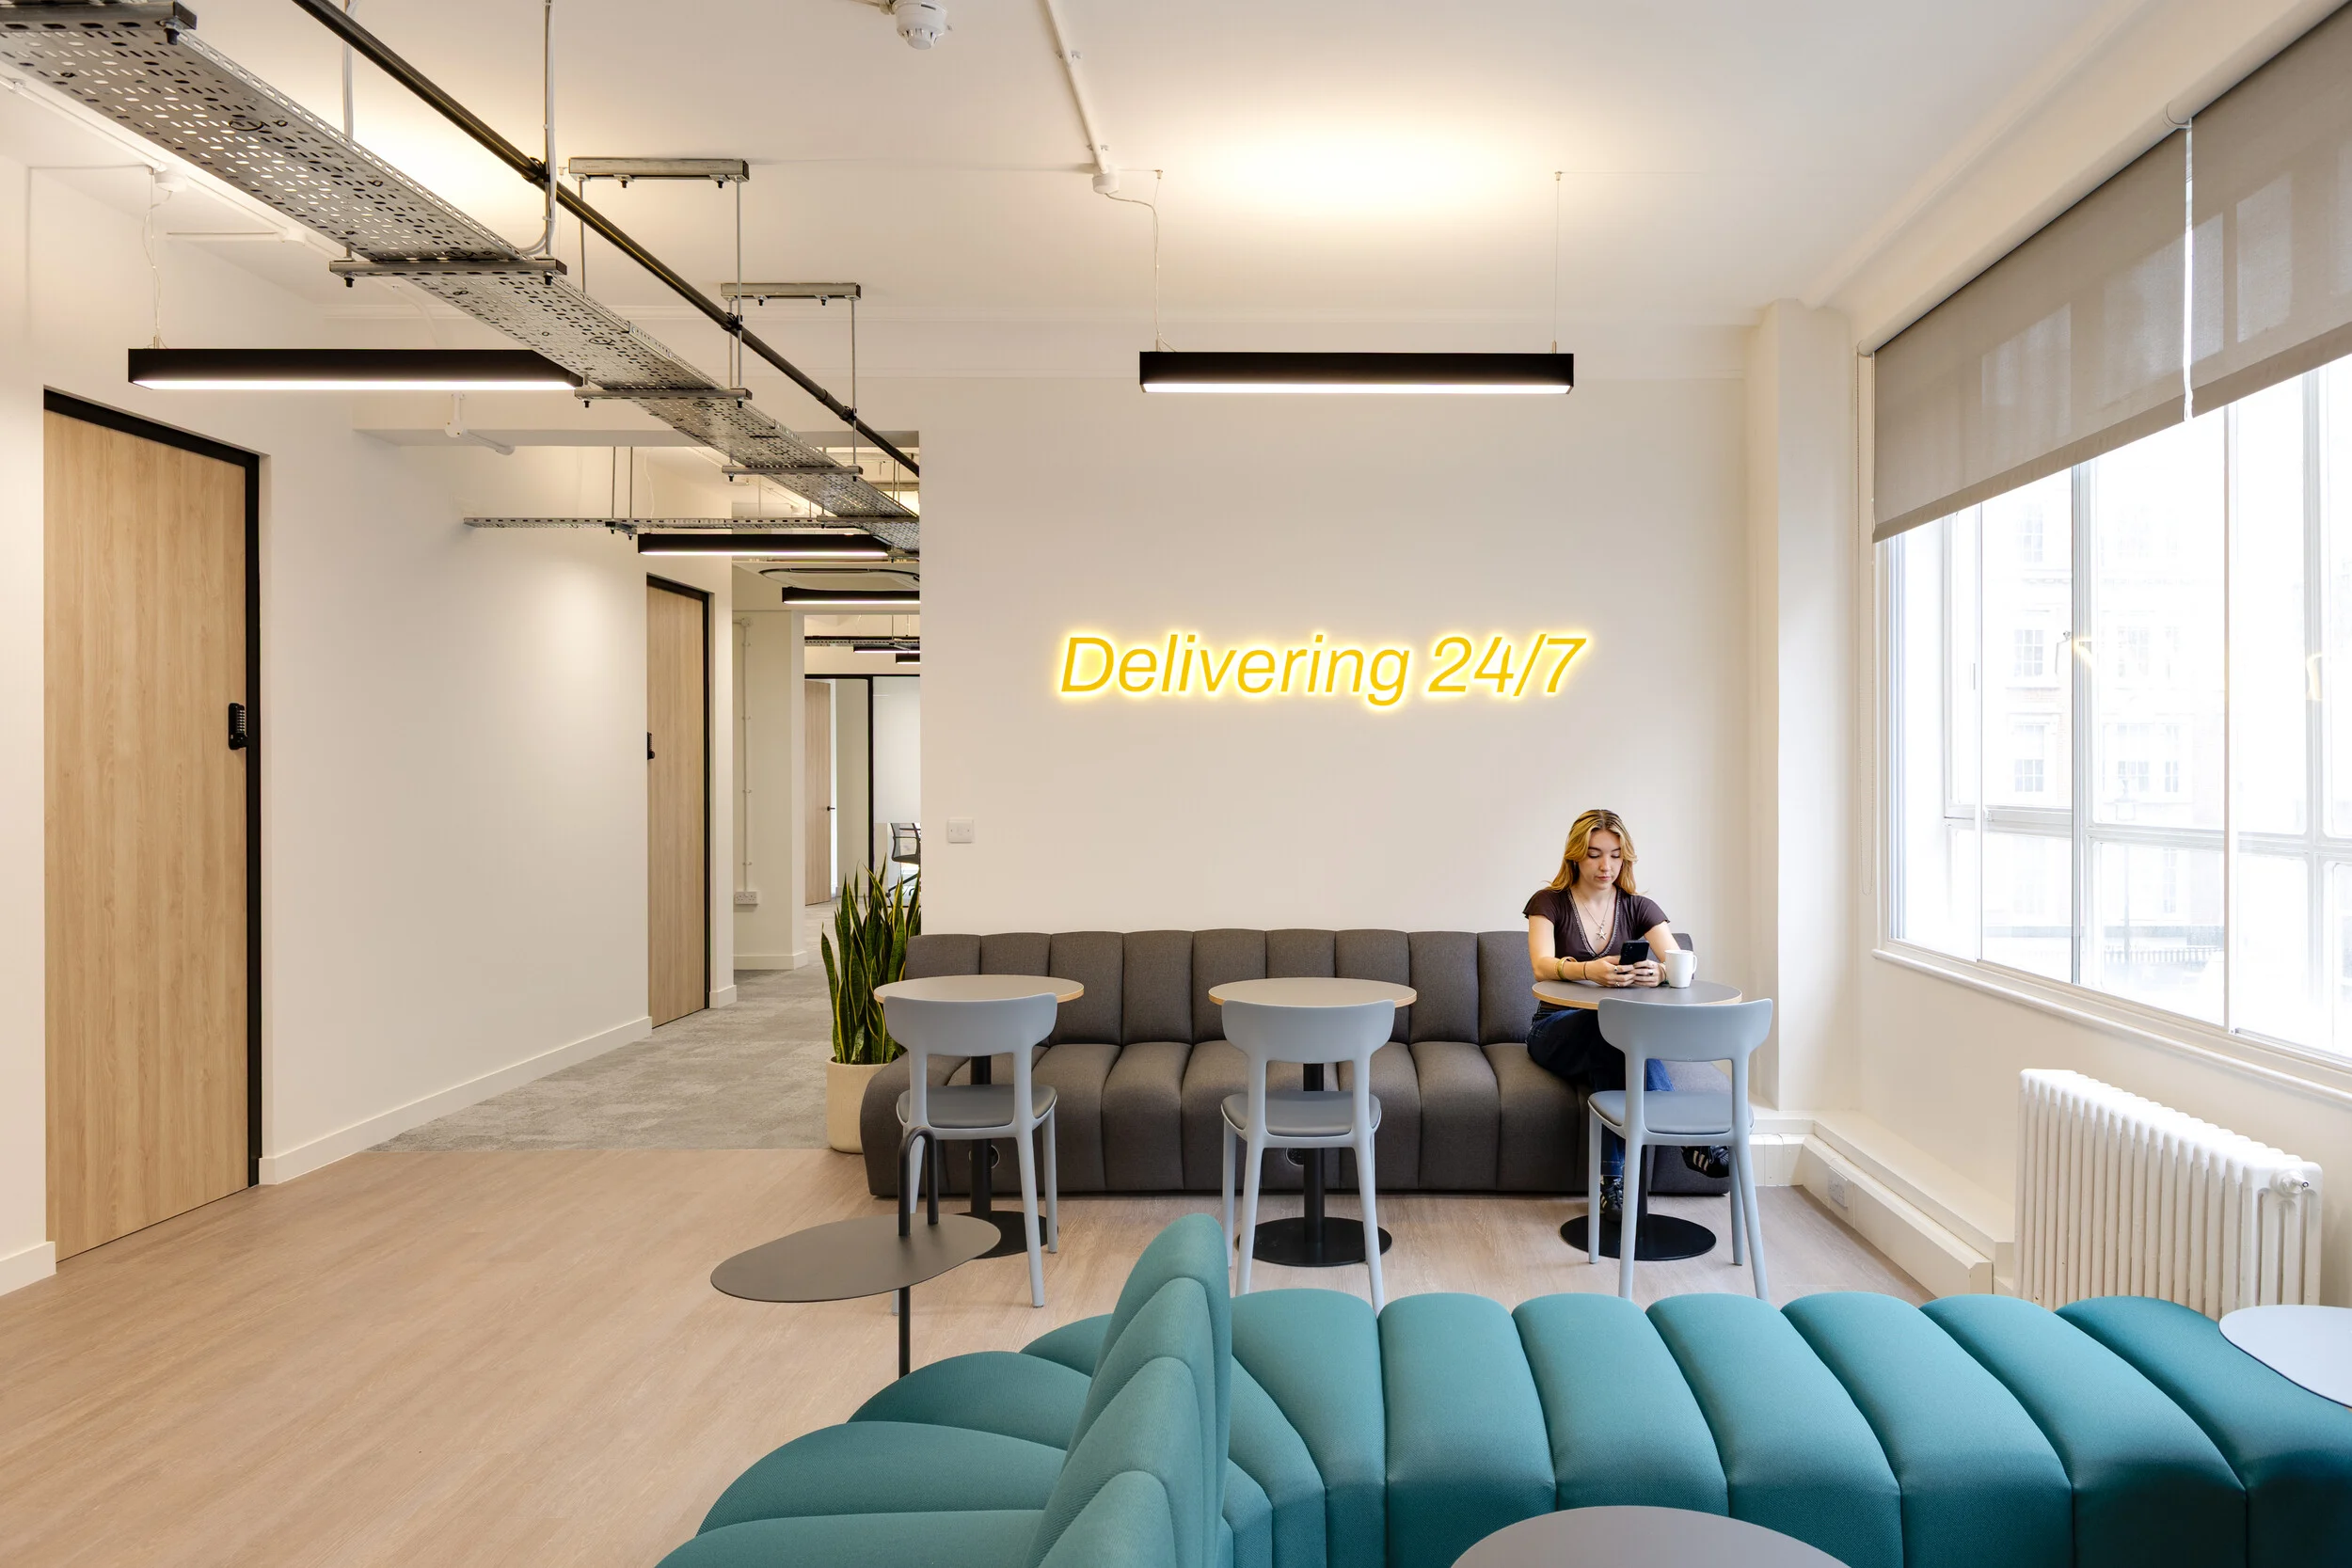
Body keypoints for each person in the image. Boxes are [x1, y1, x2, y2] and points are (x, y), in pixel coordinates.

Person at [1521, 808, 1726, 1215]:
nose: (1606, 866)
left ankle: (1611, 1185)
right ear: (1575, 856)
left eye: (1615, 855)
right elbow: (1541, 965)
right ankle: (1688, 1138)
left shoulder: (1639, 906)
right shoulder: (1549, 902)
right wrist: (1588, 971)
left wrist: (1661, 971)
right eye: (1595, 854)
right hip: (1554, 1028)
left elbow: (1685, 961)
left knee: (1615, 1044)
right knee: (1612, 1033)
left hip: (1614, 1035)